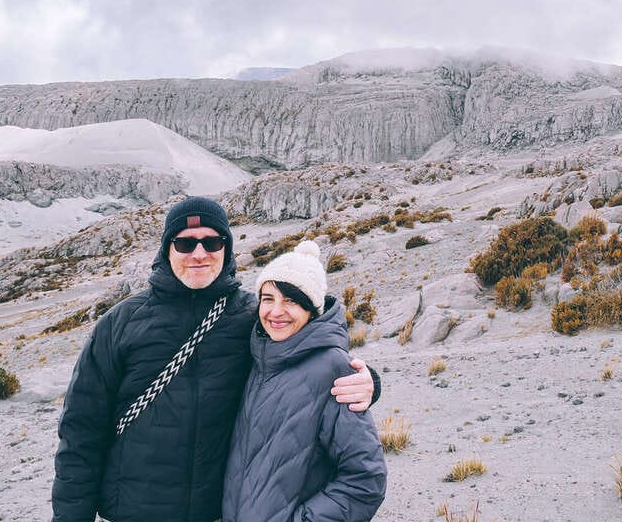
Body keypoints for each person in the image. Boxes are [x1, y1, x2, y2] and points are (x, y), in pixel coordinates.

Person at [51, 196, 379, 522]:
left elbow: (309, 354)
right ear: (166, 248)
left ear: (227, 248)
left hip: (217, 512)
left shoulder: (253, 316)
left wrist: (367, 382)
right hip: (134, 511)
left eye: (212, 242)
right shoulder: (119, 323)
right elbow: (81, 430)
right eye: (184, 243)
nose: (199, 253)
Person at [223, 240, 387, 522]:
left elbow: (366, 478)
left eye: (291, 300)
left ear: (312, 309)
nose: (276, 312)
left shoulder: (334, 369)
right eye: (268, 299)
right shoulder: (255, 359)